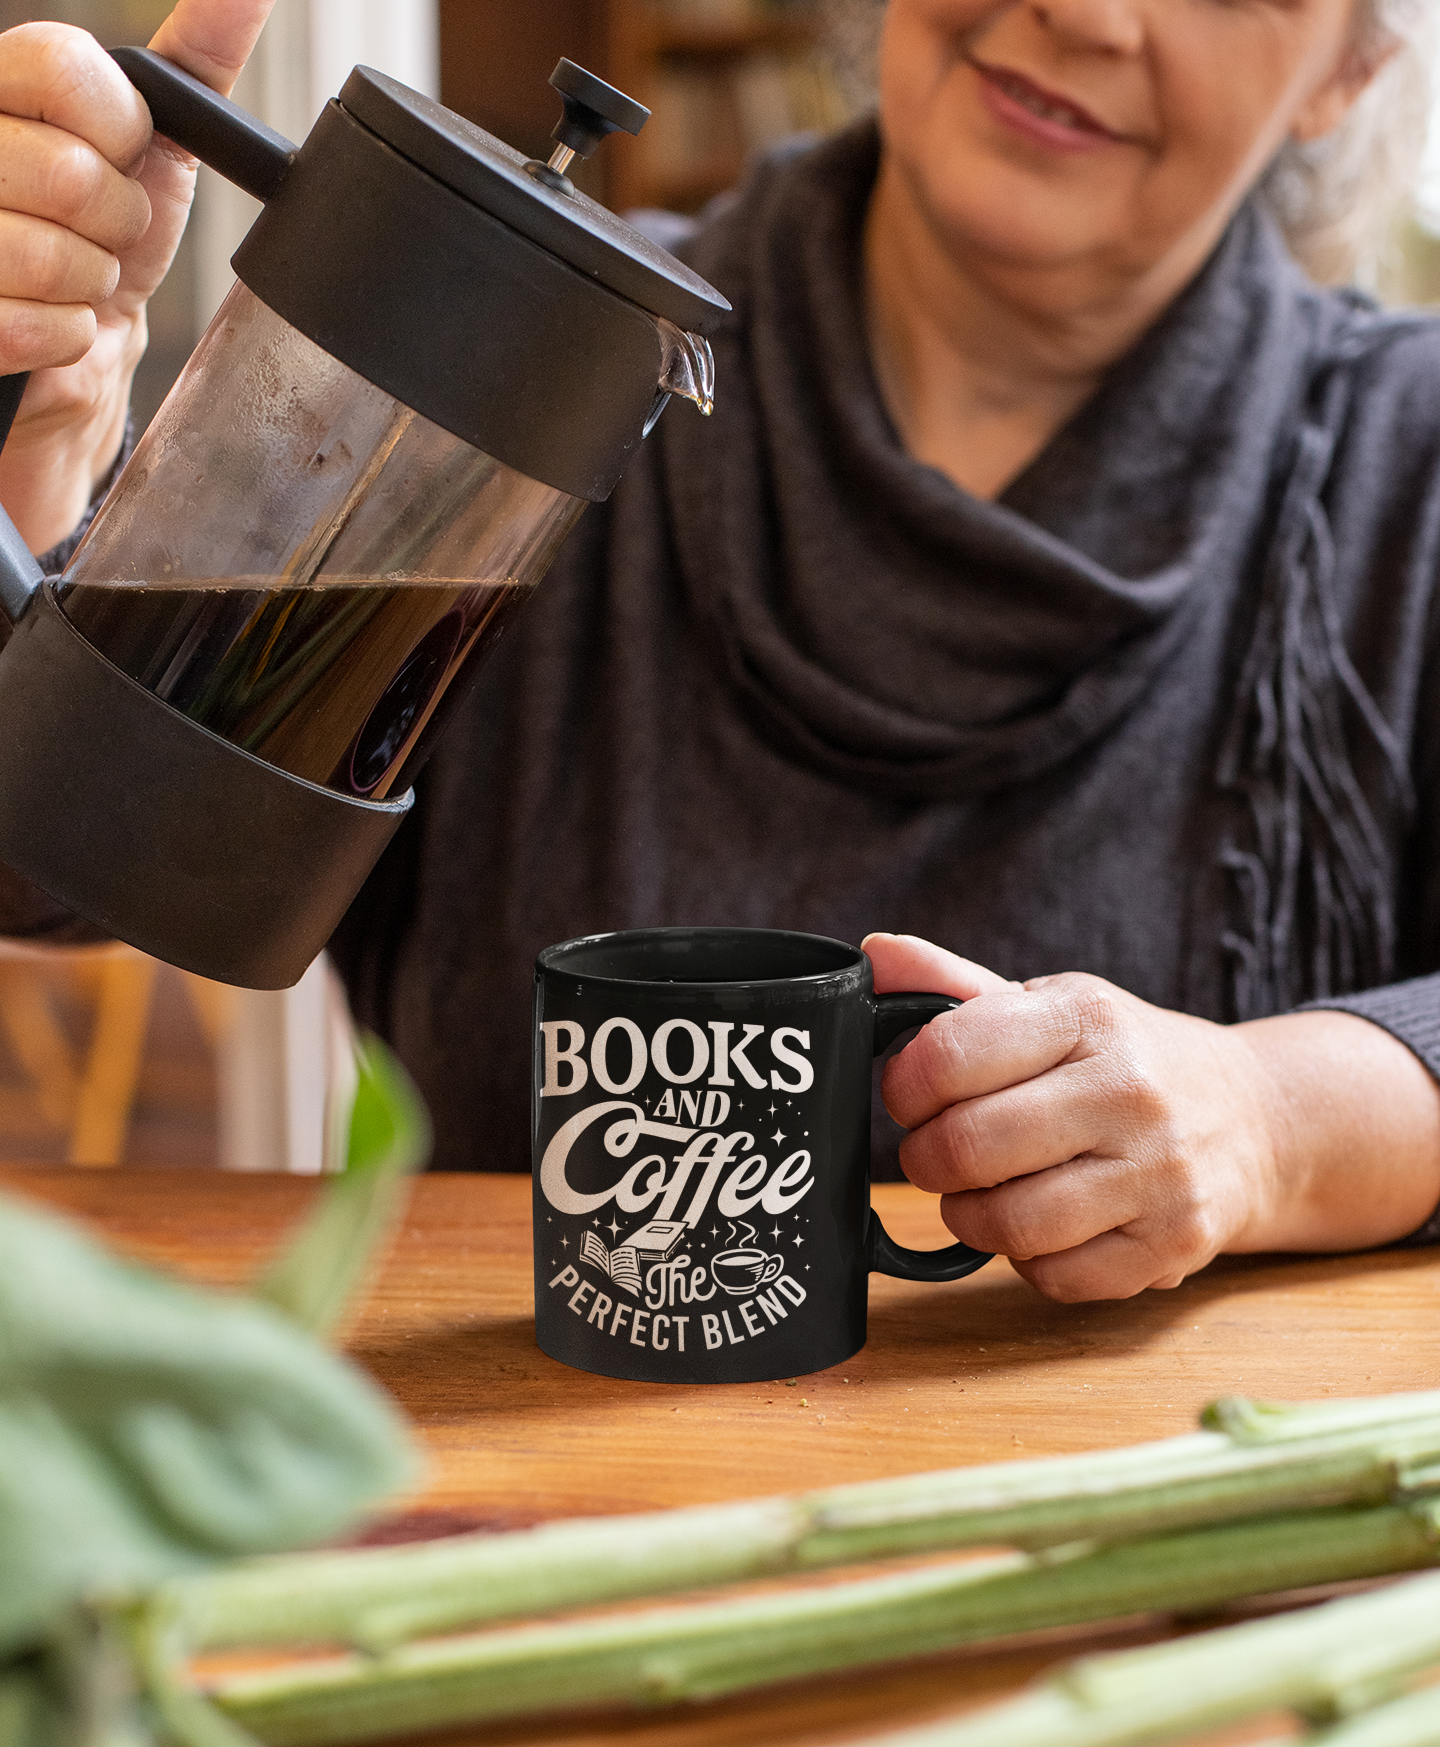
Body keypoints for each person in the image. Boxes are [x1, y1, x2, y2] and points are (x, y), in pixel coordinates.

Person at [1, 0, 1439, 1304]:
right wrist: (41, 469)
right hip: (526, 1500)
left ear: (1351, 70)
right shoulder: (534, 362)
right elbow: (57, 848)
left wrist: (1272, 1118)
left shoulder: (1407, 467)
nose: (1082, 11)